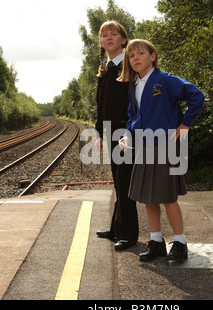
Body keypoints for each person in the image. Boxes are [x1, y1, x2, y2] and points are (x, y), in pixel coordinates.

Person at [118, 39, 205, 263]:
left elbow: (196, 96)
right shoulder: (133, 85)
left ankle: (180, 243)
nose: (135, 58)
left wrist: (185, 124)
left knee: (167, 197)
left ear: (153, 56)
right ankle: (156, 241)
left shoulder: (165, 80)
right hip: (143, 144)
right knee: (148, 197)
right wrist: (127, 136)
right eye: (131, 55)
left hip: (165, 144)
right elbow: (132, 117)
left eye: (140, 53)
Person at [94, 21, 139, 251]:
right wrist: (99, 132)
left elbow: (136, 101)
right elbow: (100, 104)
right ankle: (116, 228)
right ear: (101, 42)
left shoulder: (130, 66)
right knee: (118, 181)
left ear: (123, 39)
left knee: (124, 182)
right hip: (112, 132)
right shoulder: (106, 68)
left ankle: (128, 234)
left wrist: (130, 131)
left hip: (127, 133)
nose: (109, 37)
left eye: (114, 34)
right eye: (105, 35)